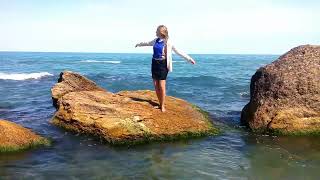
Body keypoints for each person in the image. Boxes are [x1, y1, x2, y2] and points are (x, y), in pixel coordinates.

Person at [135, 25, 196, 112]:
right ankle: (159, 104)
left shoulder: (168, 42)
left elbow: (178, 52)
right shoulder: (155, 40)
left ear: (161, 32)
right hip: (154, 63)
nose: (155, 32)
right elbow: (147, 43)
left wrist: (189, 59)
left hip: (163, 64)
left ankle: (162, 106)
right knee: (156, 85)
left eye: (157, 31)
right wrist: (139, 44)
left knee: (161, 86)